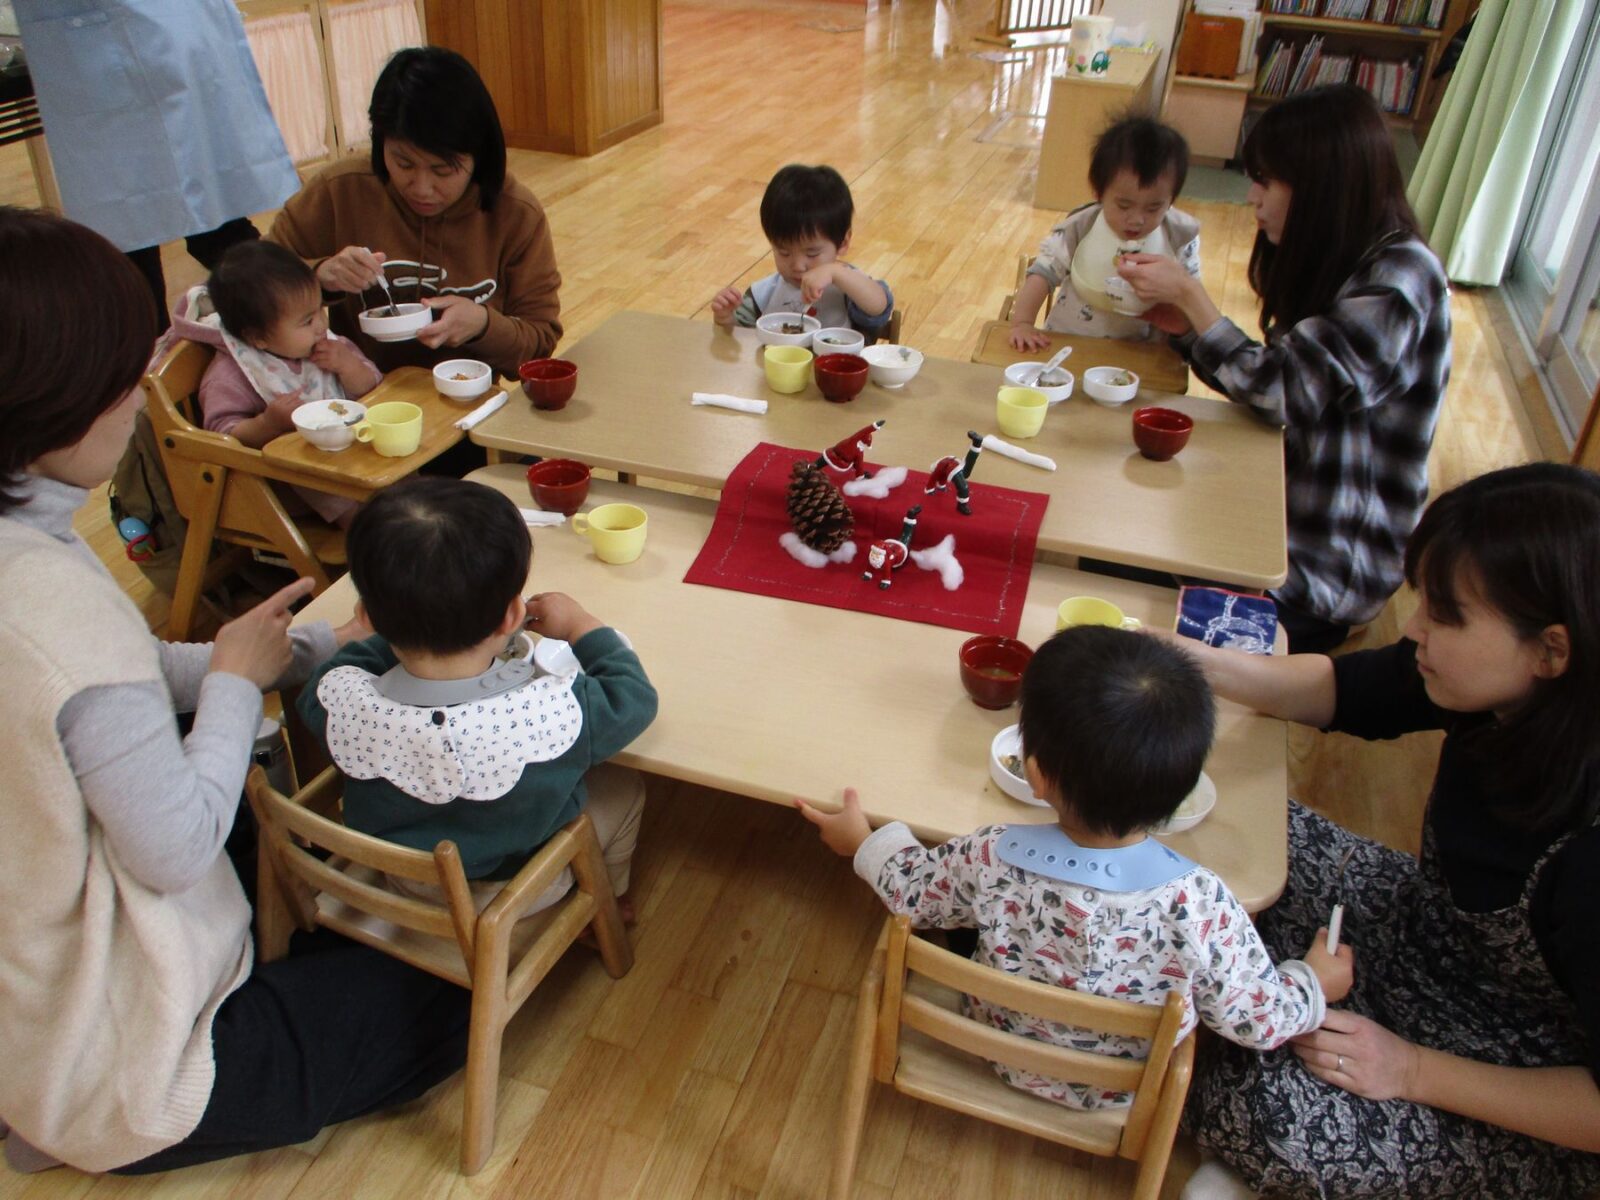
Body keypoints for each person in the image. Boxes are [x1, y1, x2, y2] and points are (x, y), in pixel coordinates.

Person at [0, 205, 470, 1175]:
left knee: (298, 852)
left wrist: (292, 645)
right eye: (115, 376)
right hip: (128, 1052)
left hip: (32, 969)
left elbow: (110, 689)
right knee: (457, 992)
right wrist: (230, 683)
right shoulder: (47, 607)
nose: (138, 396)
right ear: (41, 400)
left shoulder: (30, 554)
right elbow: (172, 846)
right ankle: (68, 1117)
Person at [1169, 463, 1600, 1199]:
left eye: (1446, 614)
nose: (1416, 629)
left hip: (1515, 1065)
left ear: (1551, 650)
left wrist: (1410, 1069)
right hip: (1416, 930)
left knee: (1262, 1101)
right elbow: (1345, 690)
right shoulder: (1491, 687)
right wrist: (1190, 664)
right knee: (1215, 836)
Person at [798, 627, 1349, 1110]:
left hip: (994, 1042)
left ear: (1035, 773)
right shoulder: (1202, 903)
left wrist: (865, 842)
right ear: (1185, 787)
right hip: (1124, 1088)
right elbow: (1258, 1019)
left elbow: (914, 892)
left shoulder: (990, 855)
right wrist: (1312, 982)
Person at [1117, 84, 1451, 654]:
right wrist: (1190, 330)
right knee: (1121, 546)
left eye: (1267, 180)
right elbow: (1275, 380)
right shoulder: (1348, 256)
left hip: (1323, 569)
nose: (1252, 197)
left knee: (1129, 596)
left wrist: (1197, 302)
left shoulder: (1400, 280)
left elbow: (1283, 392)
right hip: (1279, 516)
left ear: (1324, 185)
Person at [297, 477, 658, 916]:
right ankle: (610, 900)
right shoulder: (550, 715)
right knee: (625, 786)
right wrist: (582, 624)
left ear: (367, 616)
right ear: (513, 615)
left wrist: (402, 631)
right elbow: (633, 697)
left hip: (399, 874)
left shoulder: (338, 698)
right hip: (510, 894)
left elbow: (337, 670)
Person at [269, 47, 561, 378]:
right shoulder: (340, 190)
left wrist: (482, 325)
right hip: (357, 406)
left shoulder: (515, 213)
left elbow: (540, 342)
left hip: (468, 410)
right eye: (403, 163)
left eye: (442, 170)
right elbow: (249, 281)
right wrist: (319, 276)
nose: (421, 187)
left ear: (478, 156)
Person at [15, 0, 298, 330]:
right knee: (129, 243)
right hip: (102, 48)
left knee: (211, 221)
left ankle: (285, 325)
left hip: (160, 35)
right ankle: (160, 367)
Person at [168, 240, 382, 527]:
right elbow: (222, 437)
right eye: (307, 321)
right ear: (258, 338)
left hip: (358, 453)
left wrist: (349, 366)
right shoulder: (234, 374)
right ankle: (364, 526)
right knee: (311, 475)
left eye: (319, 309)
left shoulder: (327, 346)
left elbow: (374, 387)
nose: (320, 324)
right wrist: (268, 424)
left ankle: (412, 506)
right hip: (288, 484)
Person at [1009, 116, 1200, 349]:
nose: (1137, 220)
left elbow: (1191, 294)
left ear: (1172, 199)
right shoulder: (1080, 227)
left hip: (1141, 351)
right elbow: (1042, 274)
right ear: (1099, 192)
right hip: (1069, 342)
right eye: (1124, 206)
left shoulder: (1179, 236)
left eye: (1154, 208)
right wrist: (1023, 323)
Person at [710, 164, 894, 337]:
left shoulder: (849, 286)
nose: (798, 266)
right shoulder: (765, 293)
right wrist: (726, 319)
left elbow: (879, 307)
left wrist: (835, 271)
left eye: (812, 254)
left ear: (843, 243)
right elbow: (741, 340)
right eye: (783, 252)